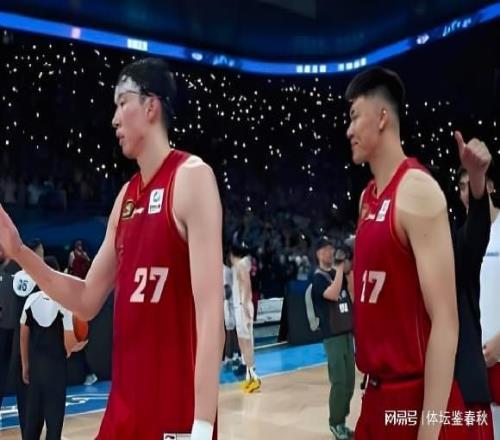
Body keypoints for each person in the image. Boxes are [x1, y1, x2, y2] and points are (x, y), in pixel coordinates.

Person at [0, 57, 224, 440]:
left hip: (175, 414)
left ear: (151, 106)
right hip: (124, 410)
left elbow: (210, 315)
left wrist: (202, 427)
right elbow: (87, 298)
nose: (115, 119)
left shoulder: (192, 178)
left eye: (123, 103)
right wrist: (19, 251)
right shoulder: (126, 198)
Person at [345, 67, 466, 439]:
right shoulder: (366, 198)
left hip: (415, 398)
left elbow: (446, 322)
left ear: (382, 117)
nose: (348, 130)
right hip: (375, 396)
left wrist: (429, 432)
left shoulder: (416, 190)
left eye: (354, 116)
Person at [453, 135, 495, 439]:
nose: (466, 192)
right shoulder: (457, 240)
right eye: (462, 186)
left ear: (489, 185)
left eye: (474, 183)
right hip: (475, 367)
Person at [20, 256, 73, 440]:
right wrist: (78, 345)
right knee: (54, 423)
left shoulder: (30, 300)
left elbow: (23, 336)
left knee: (32, 422)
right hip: (56, 371)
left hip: (36, 369)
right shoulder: (64, 303)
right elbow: (68, 343)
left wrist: (25, 365)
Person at [311, 237, 354, 440]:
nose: (331, 252)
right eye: (327, 249)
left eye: (332, 248)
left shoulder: (337, 274)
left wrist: (347, 259)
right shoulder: (318, 279)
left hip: (346, 332)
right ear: (319, 253)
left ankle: (342, 422)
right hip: (332, 337)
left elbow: (349, 287)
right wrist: (339, 269)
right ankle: (335, 423)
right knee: (339, 382)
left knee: (350, 382)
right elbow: (334, 294)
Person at [229, 243, 261, 393]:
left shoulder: (241, 265)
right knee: (243, 341)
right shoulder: (239, 266)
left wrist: (244, 305)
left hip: (242, 306)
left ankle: (254, 376)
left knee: (247, 342)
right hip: (240, 306)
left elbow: (247, 285)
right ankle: (249, 377)